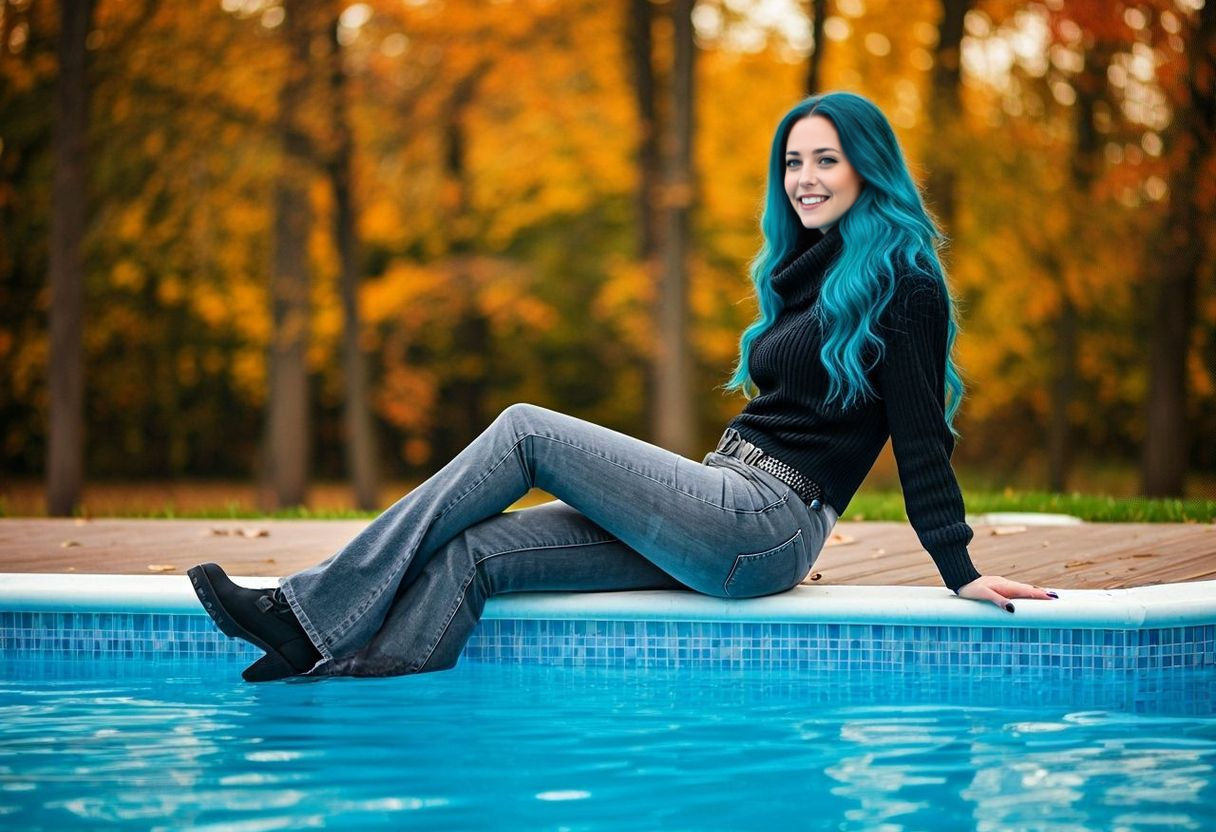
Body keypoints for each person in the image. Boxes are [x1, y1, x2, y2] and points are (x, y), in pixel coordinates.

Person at [188, 91, 1057, 683]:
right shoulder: (804, 265)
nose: (805, 178)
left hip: (765, 522)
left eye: (826, 160)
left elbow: (919, 436)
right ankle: (344, 679)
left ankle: (307, 614)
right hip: (726, 504)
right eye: (793, 161)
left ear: (869, 165)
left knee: (526, 428)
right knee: (476, 553)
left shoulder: (906, 278)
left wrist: (960, 568)